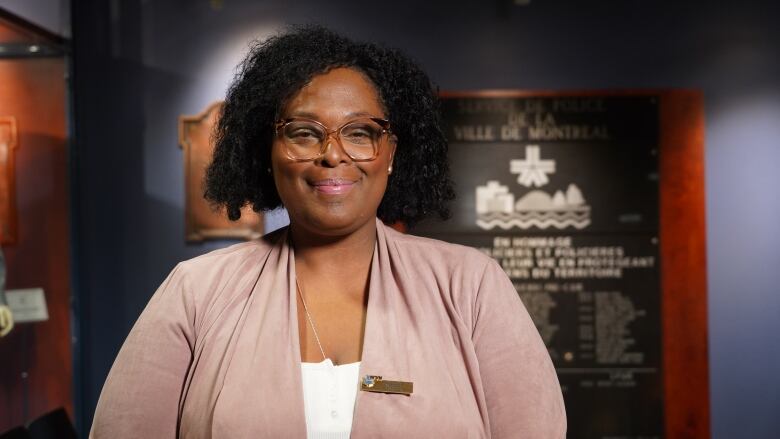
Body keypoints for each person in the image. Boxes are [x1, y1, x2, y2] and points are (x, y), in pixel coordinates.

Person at [90, 25, 566, 438]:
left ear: (391, 152)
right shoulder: (195, 292)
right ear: (267, 149)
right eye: (303, 132)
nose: (333, 155)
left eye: (360, 132)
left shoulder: (471, 285)